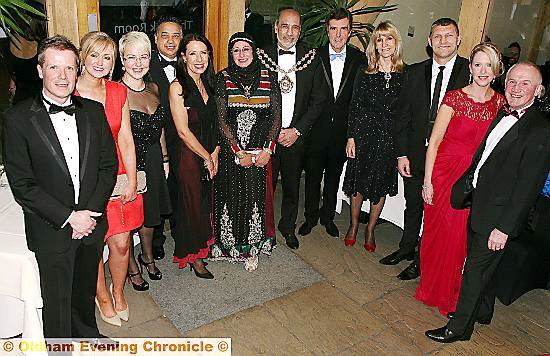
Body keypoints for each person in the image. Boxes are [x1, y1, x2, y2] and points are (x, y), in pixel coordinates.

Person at [425, 62, 550, 343]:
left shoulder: (539, 131)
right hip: (480, 205)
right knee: (488, 271)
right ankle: (482, 311)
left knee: (474, 271)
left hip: (498, 217)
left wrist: (504, 228)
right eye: (512, 81)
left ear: (538, 90)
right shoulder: (503, 111)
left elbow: (527, 189)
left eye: (525, 83)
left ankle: (458, 328)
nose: (516, 88)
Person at [2, 35, 117, 338]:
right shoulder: (17, 120)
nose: (63, 76)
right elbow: (23, 185)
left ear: (78, 71)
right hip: (51, 228)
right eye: (54, 67)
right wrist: (70, 217)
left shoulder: (93, 111)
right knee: (56, 301)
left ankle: (87, 337)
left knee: (82, 293)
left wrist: (89, 213)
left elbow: (108, 166)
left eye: (69, 68)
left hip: (91, 224)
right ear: (40, 70)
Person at [415, 43, 506, 316]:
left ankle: (452, 294)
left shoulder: (501, 103)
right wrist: (428, 182)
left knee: (460, 240)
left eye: (488, 65)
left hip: (475, 180)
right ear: (470, 68)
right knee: (436, 234)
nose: (482, 70)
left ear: (496, 70)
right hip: (444, 176)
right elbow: (433, 144)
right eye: (477, 64)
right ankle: (430, 287)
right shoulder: (454, 98)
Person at [380, 18, 470, 280]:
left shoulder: (470, 72)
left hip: (448, 159)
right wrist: (401, 153)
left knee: (436, 213)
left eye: (449, 35)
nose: (443, 41)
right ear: (429, 42)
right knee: (414, 204)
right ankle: (407, 247)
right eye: (437, 36)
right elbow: (402, 117)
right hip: (416, 153)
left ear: (458, 39)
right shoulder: (415, 72)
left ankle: (422, 259)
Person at [76, 31, 143, 327]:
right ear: (82, 57)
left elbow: (126, 138)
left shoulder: (118, 91)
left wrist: (130, 179)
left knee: (121, 243)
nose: (100, 62)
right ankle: (101, 296)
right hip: (85, 184)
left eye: (107, 57)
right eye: (94, 55)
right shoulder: (69, 92)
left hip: (118, 180)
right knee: (93, 247)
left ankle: (118, 292)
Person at [258, 8, 327, 249]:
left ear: (300, 30)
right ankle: (262, 230)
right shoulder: (261, 56)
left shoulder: (310, 57)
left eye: (295, 27)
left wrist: (297, 130)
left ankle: (288, 227)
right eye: (285, 26)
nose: (290, 32)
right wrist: (270, 132)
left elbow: (319, 100)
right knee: (264, 187)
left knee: (291, 186)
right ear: (276, 27)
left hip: (295, 136)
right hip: (267, 136)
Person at [212, 32, 281, 272]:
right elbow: (221, 119)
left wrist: (267, 151)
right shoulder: (223, 78)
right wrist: (237, 151)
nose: (241, 55)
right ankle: (230, 246)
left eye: (246, 49)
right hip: (233, 156)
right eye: (236, 50)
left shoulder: (269, 77)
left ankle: (252, 248)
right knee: (231, 198)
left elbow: (276, 117)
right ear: (231, 54)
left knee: (254, 199)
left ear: (254, 52)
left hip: (260, 154)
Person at [299, 8, 367, 239]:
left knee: (334, 177)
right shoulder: (312, 56)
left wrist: (354, 134)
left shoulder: (360, 59)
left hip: (342, 133)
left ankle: (328, 217)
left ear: (350, 31)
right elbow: (305, 94)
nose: (338, 35)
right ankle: (310, 217)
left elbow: (360, 100)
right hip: (315, 130)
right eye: (334, 29)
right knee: (312, 177)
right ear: (327, 30)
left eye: (343, 29)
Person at [341, 21, 405, 251]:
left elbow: (406, 112)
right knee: (357, 183)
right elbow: (354, 106)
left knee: (379, 186)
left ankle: (370, 229)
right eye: (379, 39)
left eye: (389, 39)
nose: (384, 43)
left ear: (395, 43)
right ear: (374, 45)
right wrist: (351, 137)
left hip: (389, 139)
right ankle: (354, 224)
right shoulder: (364, 72)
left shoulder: (405, 73)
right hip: (364, 135)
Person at [119, 31, 172, 290]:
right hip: (128, 162)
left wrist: (164, 158)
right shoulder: (117, 92)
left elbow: (160, 128)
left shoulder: (154, 88)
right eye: (131, 57)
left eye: (143, 57)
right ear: (122, 60)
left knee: (151, 216)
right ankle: (131, 266)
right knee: (128, 220)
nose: (138, 63)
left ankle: (147, 255)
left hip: (152, 158)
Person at [169, 33, 218, 278]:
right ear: (183, 57)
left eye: (204, 53)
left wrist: (216, 152)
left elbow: (217, 122)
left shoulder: (209, 83)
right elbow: (182, 131)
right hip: (188, 156)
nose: (199, 59)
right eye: (193, 53)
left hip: (208, 152)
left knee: (204, 203)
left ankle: (202, 248)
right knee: (191, 207)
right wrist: (207, 157)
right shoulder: (178, 87)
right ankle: (193, 257)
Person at [149, 16, 183, 261]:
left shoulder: (190, 60)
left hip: (185, 137)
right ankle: (157, 239)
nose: (171, 41)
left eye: (176, 36)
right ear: (155, 39)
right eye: (165, 35)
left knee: (182, 188)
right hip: (156, 138)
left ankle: (183, 234)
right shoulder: (144, 65)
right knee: (158, 188)